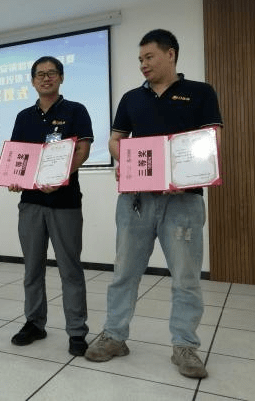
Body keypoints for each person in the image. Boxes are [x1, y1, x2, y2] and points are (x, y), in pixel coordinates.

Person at [84, 29, 223, 379]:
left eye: (149, 57)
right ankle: (114, 336)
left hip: (184, 201)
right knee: (124, 273)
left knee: (186, 278)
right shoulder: (132, 98)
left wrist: (185, 175)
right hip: (136, 200)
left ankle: (185, 346)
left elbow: (212, 140)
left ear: (170, 54)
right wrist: (126, 160)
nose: (143, 64)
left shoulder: (200, 92)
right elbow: (116, 140)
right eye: (140, 59)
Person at [8, 56, 93, 356]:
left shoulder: (76, 111)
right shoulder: (23, 117)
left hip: (65, 202)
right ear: (33, 81)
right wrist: (15, 178)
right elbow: (18, 156)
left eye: (52, 73)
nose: (46, 78)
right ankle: (34, 323)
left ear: (61, 77)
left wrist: (60, 177)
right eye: (40, 74)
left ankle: (77, 331)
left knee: (70, 269)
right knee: (32, 268)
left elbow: (82, 150)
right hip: (31, 203)